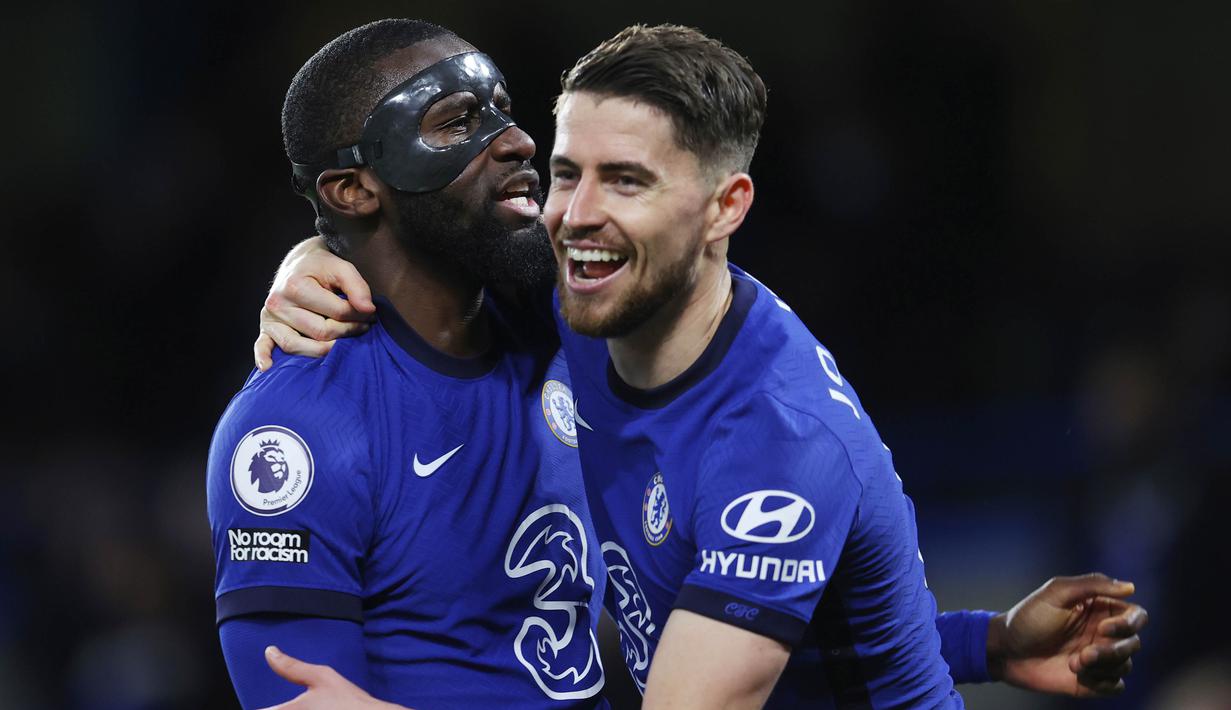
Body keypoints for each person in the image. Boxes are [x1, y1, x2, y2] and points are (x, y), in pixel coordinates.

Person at [251, 23, 1147, 710]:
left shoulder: (779, 444)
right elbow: (425, 254)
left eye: (629, 181)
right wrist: (311, 262)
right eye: (569, 173)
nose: (576, 216)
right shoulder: (583, 299)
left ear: (725, 207)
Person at [207, 19, 607, 710]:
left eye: (503, 113)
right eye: (456, 124)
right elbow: (298, 700)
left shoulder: (568, 325)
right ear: (353, 189)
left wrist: (305, 252)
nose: (517, 141)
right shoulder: (300, 426)